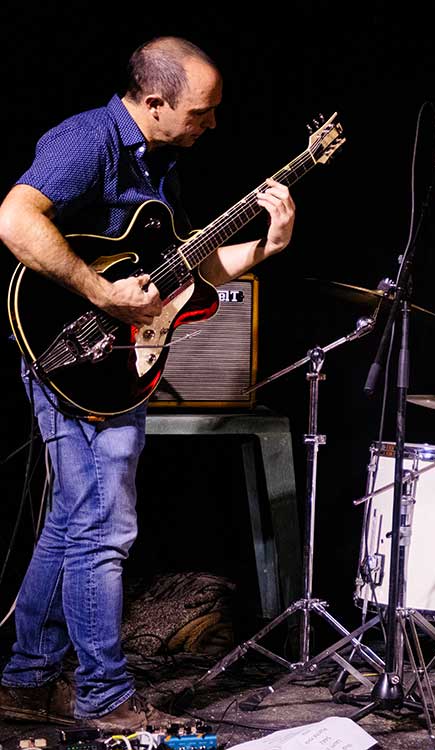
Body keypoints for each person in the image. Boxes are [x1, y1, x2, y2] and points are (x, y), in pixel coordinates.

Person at [0, 37, 295, 729]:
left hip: (110, 365)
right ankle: (104, 696)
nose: (211, 124)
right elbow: (16, 219)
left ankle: (24, 681)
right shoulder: (88, 140)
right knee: (105, 527)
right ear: (155, 101)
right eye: (201, 111)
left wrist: (266, 248)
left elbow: (180, 277)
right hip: (73, 353)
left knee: (73, 521)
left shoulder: (158, 163)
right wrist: (101, 293)